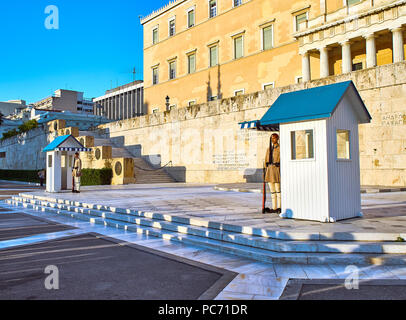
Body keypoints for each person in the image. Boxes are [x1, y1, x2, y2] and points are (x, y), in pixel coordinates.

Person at [264, 133, 281, 213]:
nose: (272, 140)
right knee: (272, 191)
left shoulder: (280, 148)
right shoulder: (269, 149)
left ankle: (279, 207)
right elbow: (266, 160)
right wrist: (265, 170)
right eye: (271, 138)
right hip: (269, 171)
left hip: (276, 170)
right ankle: (274, 207)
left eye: (274, 138)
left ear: (277, 138)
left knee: (278, 190)